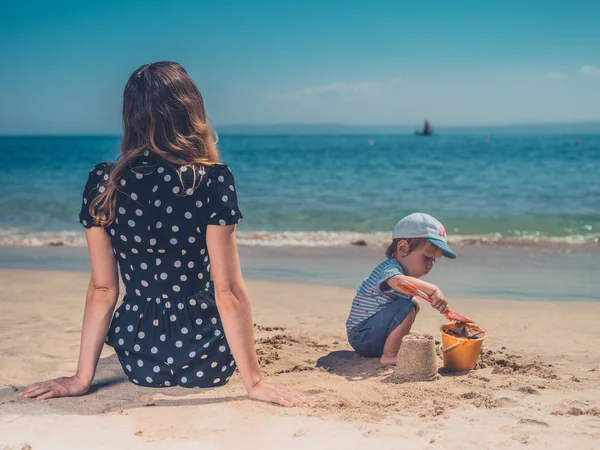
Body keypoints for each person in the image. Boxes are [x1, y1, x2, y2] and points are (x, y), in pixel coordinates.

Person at [19, 61, 313, 408]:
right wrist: (255, 382)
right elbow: (228, 291)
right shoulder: (212, 181)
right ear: (191, 111)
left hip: (140, 357)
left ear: (130, 116)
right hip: (208, 358)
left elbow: (103, 290)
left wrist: (81, 378)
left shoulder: (104, 183)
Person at [346, 212, 456, 365]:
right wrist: (433, 290)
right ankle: (390, 354)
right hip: (362, 336)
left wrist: (437, 303)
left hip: (370, 334)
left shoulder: (401, 274)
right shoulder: (389, 270)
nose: (429, 265)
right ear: (403, 248)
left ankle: (394, 342)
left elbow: (413, 290)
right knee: (406, 307)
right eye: (426, 258)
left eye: (433, 261)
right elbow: (400, 282)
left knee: (413, 303)